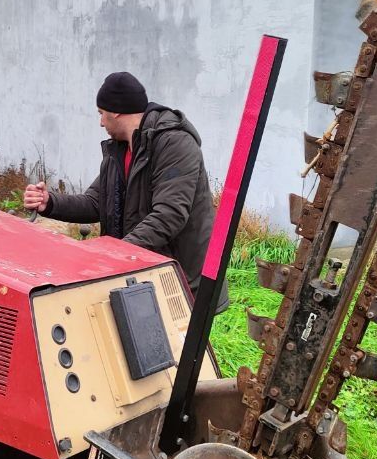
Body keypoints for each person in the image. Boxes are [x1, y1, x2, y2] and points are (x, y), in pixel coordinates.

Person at [23, 71, 228, 311]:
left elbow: (169, 214)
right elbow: (96, 202)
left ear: (116, 111)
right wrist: (50, 202)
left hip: (183, 282)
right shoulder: (119, 150)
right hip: (141, 275)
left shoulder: (174, 143)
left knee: (180, 348)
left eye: (101, 114)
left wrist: (116, 253)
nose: (100, 122)